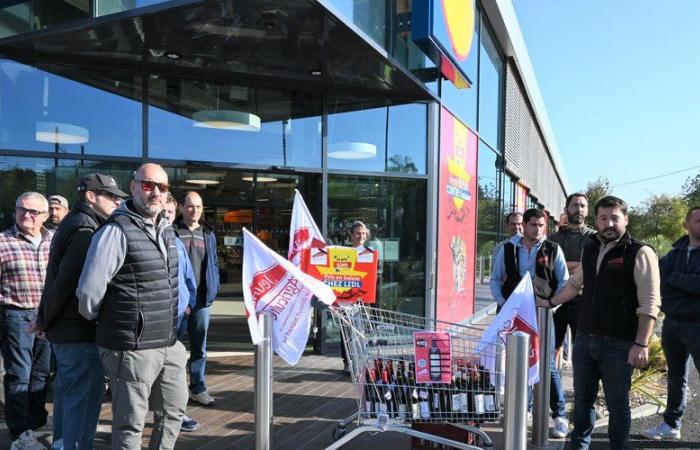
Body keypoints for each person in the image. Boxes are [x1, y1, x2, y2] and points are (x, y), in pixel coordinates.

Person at [77, 163, 188, 450]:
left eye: (162, 187)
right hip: (132, 347)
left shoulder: (166, 230)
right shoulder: (115, 231)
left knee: (174, 411)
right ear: (134, 187)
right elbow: (89, 293)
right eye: (149, 185)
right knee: (130, 424)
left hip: (168, 341)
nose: (156, 193)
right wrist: (119, 327)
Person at [537, 196, 661, 450]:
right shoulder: (591, 245)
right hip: (585, 340)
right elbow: (575, 284)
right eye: (604, 218)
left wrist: (641, 343)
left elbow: (649, 304)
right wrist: (549, 302)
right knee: (582, 403)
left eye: (615, 218)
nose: (609, 223)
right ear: (596, 220)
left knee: (618, 406)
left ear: (626, 219)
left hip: (620, 344)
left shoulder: (640, 251)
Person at [33, 174, 127, 450]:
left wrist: (45, 319)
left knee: (67, 397)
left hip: (67, 331)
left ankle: (63, 444)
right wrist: (44, 319)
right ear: (90, 196)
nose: (117, 201)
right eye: (111, 196)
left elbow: (56, 280)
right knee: (82, 402)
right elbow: (66, 284)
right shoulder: (86, 230)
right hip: (79, 333)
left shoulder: (75, 223)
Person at [490, 208, 570, 438]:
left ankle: (560, 415)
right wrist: (503, 303)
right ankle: (523, 408)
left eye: (541, 225)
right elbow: (495, 279)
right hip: (513, 316)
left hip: (541, 315)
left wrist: (552, 304)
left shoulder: (553, 249)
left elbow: (564, 281)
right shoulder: (508, 249)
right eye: (533, 224)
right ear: (524, 225)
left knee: (547, 365)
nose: (537, 229)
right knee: (519, 364)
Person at [0, 192, 53, 449]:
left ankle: (37, 419)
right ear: (15, 211)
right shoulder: (2, 241)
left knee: (42, 373)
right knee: (19, 375)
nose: (27, 215)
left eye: (34, 212)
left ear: (45, 216)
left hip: (47, 316)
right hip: (16, 314)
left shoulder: (54, 240)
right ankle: (20, 433)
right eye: (22, 209)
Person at [642, 206, 700, 440]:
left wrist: (676, 280)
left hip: (698, 324)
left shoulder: (670, 263)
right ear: (686, 225)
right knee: (676, 376)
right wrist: (686, 286)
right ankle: (671, 424)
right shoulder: (672, 255)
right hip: (673, 324)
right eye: (698, 220)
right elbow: (659, 286)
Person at [173, 191, 220, 407]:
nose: (195, 211)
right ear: (181, 208)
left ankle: (198, 388)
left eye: (199, 207)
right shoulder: (171, 232)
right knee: (174, 347)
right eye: (191, 206)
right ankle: (174, 391)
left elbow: (215, 264)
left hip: (201, 302)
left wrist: (214, 287)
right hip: (179, 301)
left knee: (199, 347)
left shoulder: (208, 233)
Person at [162, 193, 199, 432]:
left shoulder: (175, 240)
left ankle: (176, 413)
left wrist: (188, 305)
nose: (166, 215)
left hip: (178, 316)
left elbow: (188, 277)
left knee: (174, 370)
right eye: (163, 211)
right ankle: (162, 411)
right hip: (153, 319)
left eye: (169, 212)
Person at [547, 193, 596, 366]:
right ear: (566, 209)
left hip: (583, 302)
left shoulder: (595, 239)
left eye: (582, 205)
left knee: (583, 352)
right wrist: (579, 265)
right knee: (551, 349)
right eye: (575, 205)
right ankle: (552, 390)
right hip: (556, 301)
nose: (579, 209)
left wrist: (563, 265)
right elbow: (548, 266)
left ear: (587, 210)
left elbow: (592, 267)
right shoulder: (553, 239)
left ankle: (581, 392)